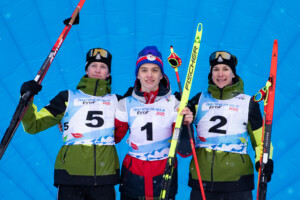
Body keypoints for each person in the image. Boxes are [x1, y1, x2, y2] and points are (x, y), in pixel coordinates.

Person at [21, 48, 123, 200]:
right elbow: (33, 125)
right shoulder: (67, 97)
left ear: (108, 73)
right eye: (93, 65)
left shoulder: (118, 101)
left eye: (103, 67)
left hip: (104, 178)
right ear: (86, 69)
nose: (97, 70)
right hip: (70, 176)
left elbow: (146, 114)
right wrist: (27, 98)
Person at [187, 51, 274, 200]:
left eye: (225, 69)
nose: (220, 74)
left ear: (233, 74)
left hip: (237, 182)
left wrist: (264, 162)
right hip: (201, 180)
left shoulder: (248, 103)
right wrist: (183, 118)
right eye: (216, 69)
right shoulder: (198, 99)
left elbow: (261, 141)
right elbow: (181, 132)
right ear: (211, 73)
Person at [114, 46, 193, 200]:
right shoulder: (125, 104)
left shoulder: (175, 104)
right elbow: (113, 137)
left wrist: (185, 125)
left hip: (164, 175)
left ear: (162, 75)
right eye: (144, 70)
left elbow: (185, 151)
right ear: (137, 74)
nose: (149, 75)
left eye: (155, 70)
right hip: (133, 177)